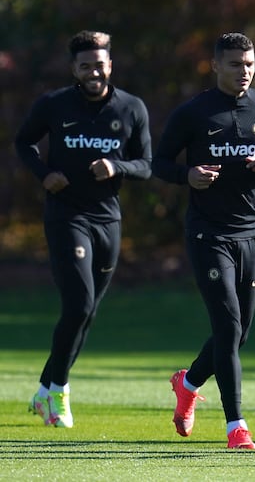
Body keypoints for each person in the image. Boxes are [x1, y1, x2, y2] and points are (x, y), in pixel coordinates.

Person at [152, 32, 255, 450]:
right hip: (208, 233)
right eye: (234, 64)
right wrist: (186, 176)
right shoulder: (193, 114)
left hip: (252, 233)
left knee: (239, 333)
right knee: (228, 327)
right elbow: (158, 162)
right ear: (215, 66)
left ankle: (189, 382)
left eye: (248, 64)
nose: (243, 71)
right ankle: (236, 427)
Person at [15, 30, 152, 428]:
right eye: (85, 65)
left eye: (100, 63)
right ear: (74, 69)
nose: (94, 71)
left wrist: (118, 166)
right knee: (78, 304)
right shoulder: (55, 105)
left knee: (87, 311)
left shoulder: (131, 108)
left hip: (107, 219)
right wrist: (44, 174)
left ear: (111, 65)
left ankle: (44, 389)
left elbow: (147, 164)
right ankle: (59, 392)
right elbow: (23, 142)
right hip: (66, 216)